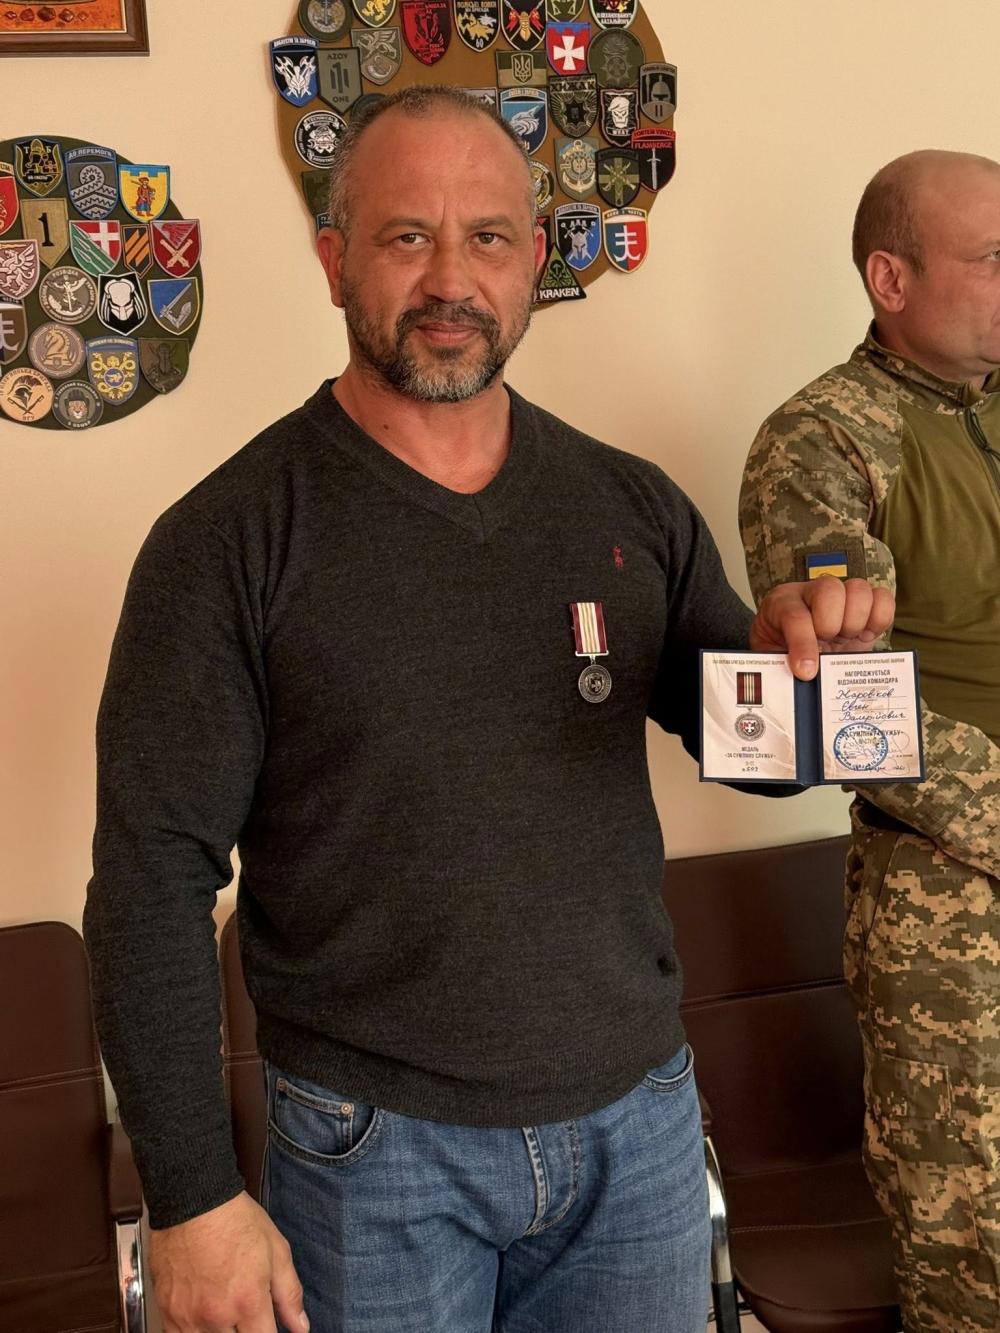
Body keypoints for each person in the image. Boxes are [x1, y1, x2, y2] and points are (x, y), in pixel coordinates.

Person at [84, 86, 892, 1333]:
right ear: (333, 260)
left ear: (533, 265)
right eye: (407, 236)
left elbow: (767, 756)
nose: (451, 279)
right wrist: (191, 1199)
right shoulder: (227, 542)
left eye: (489, 238)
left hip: (637, 1129)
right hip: (371, 1152)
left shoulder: (628, 507)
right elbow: (149, 880)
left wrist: (812, 669)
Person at [740, 149, 1000, 1333]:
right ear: (890, 279)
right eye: (992, 258)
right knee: (976, 1256)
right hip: (955, 910)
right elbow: (849, 705)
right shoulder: (823, 440)